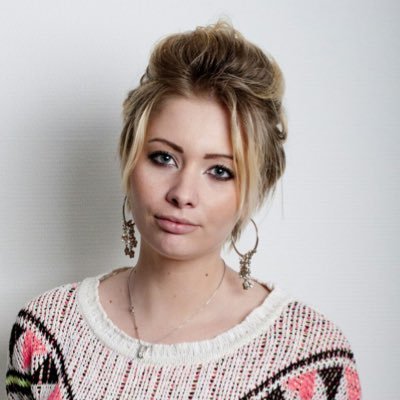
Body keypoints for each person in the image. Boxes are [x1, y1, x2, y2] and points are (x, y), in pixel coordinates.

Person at [6, 21, 362, 399]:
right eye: (164, 158)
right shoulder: (47, 332)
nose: (182, 194)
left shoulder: (311, 358)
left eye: (219, 171)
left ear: (255, 190)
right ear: (129, 159)